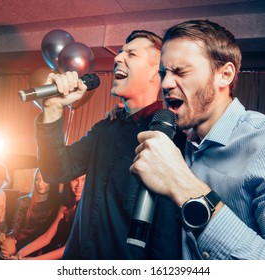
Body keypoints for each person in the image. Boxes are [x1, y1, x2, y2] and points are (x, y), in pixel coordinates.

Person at [129, 19, 265, 260]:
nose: (166, 83)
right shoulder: (184, 142)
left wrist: (185, 188)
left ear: (224, 74)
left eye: (180, 71)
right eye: (163, 73)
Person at [35, 30, 182, 259]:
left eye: (131, 54)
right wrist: (53, 109)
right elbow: (55, 170)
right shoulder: (105, 128)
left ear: (157, 71)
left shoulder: (170, 138)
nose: (117, 58)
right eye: (121, 52)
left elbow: (166, 243)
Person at [4, 175, 85, 260]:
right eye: (75, 180)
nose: (79, 184)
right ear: (68, 181)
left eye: (84, 179)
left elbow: (68, 248)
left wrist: (30, 260)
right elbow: (47, 237)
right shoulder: (64, 206)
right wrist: (20, 254)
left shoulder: (87, 210)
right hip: (52, 249)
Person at [0, 168, 60, 259]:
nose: (40, 183)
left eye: (45, 180)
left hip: (37, 245)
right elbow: (15, 227)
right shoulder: (23, 201)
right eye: (37, 179)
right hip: (16, 240)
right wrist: (10, 244)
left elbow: (48, 236)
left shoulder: (56, 206)